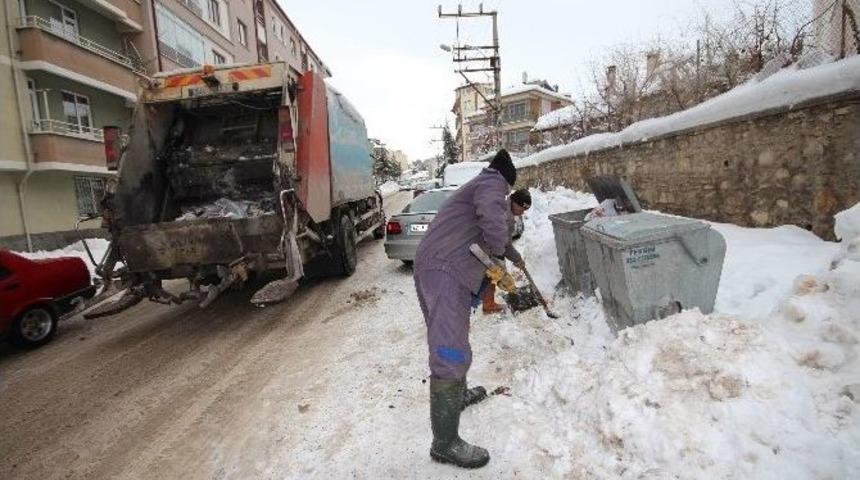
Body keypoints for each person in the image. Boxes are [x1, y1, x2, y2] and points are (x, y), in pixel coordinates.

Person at [413, 149, 518, 469]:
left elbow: (493, 228)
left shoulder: (479, 185)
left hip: (440, 269)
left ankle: (456, 397)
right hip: (446, 273)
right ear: (506, 178)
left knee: (456, 340)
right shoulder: (491, 183)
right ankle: (444, 443)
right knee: (450, 350)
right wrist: (498, 256)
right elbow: (491, 216)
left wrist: (508, 255)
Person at [481, 188, 532, 314]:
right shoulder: (504, 216)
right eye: (522, 209)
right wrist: (500, 267)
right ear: (514, 202)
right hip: (479, 246)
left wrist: (517, 258)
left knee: (493, 272)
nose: (521, 213)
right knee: (493, 272)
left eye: (524, 211)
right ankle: (486, 304)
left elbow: (505, 245)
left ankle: (488, 303)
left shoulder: (506, 211)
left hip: (483, 246)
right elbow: (500, 244)